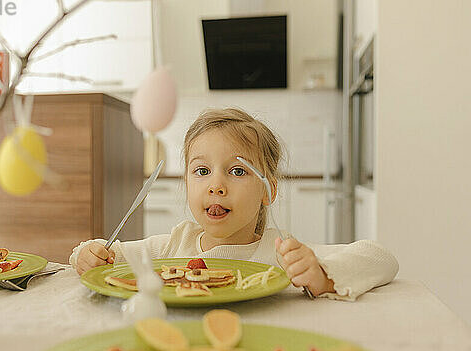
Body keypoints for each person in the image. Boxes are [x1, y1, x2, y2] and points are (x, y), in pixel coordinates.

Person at [70, 108, 398, 300]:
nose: (216, 185)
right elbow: (106, 256)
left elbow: (380, 258)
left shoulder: (283, 254)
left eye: (237, 171)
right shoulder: (175, 244)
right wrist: (90, 253)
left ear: (267, 191)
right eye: (201, 171)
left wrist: (323, 276)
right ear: (186, 183)